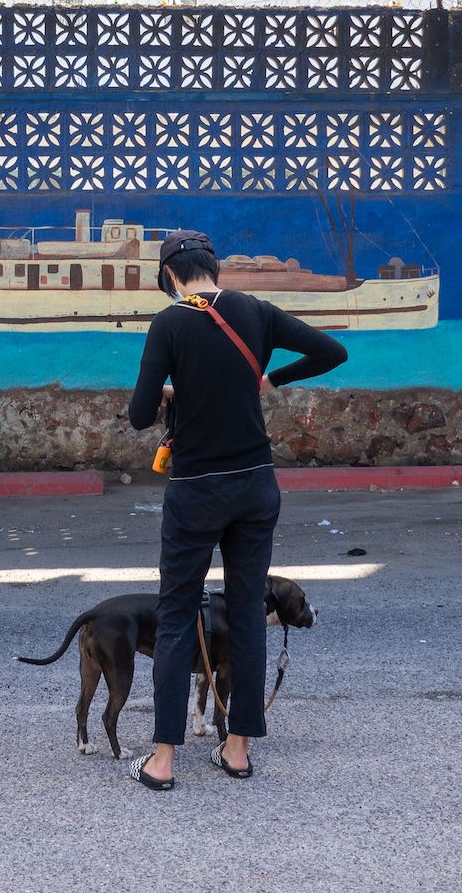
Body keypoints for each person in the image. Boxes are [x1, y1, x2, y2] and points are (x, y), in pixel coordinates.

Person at [124, 230, 347, 790]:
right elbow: (331, 351)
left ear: (170, 276)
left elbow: (138, 414)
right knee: (247, 612)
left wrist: (175, 391)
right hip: (255, 486)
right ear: (213, 268)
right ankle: (239, 749)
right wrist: (269, 377)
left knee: (176, 615)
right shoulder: (256, 310)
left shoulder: (169, 322)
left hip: (197, 488)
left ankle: (164, 760)